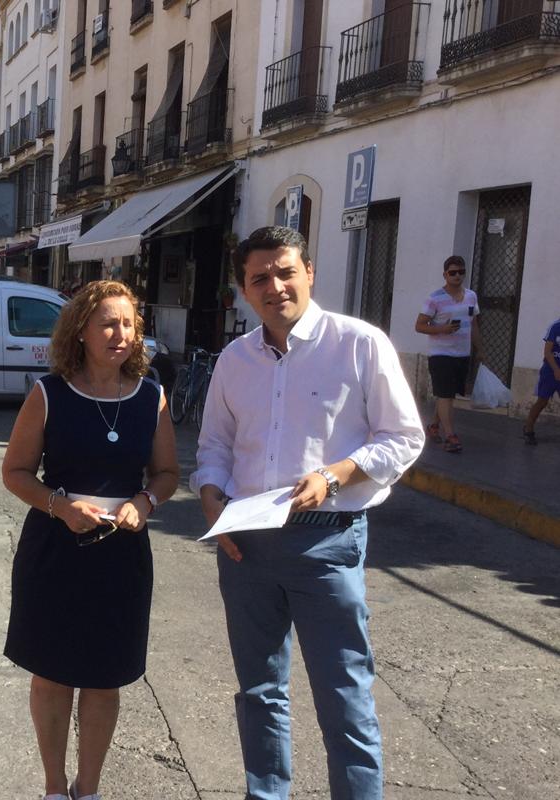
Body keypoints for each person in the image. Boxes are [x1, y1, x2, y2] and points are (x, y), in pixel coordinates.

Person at [194, 226, 424, 800]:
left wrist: (335, 474)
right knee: (259, 691)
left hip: (328, 540)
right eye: (259, 278)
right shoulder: (234, 359)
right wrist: (211, 499)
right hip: (245, 543)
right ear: (245, 290)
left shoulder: (359, 343)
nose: (274, 286)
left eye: (285, 271)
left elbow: (403, 437)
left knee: (344, 694)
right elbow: (215, 448)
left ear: (309, 272)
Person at [2, 280, 180, 800]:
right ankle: (55, 788)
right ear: (80, 330)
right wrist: (59, 506)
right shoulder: (48, 394)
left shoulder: (153, 397)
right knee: (52, 677)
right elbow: (15, 472)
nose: (119, 333)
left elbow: (167, 472)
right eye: (107, 322)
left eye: (127, 323)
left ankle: (90, 789)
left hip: (120, 557)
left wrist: (142, 504)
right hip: (55, 552)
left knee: (105, 680)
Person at [415, 256, 483, 453]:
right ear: (445, 274)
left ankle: (434, 427)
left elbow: (474, 325)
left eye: (461, 272)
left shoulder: (471, 296)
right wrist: (442, 329)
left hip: (462, 354)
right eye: (453, 272)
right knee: (445, 395)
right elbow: (419, 326)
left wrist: (480, 349)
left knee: (448, 395)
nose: (457, 276)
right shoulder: (434, 298)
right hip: (441, 354)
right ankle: (451, 436)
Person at [523, 316, 560, 445]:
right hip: (550, 371)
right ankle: (528, 428)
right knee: (542, 401)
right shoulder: (555, 327)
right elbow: (547, 351)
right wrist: (556, 369)